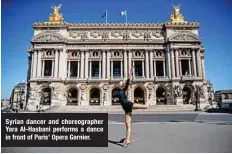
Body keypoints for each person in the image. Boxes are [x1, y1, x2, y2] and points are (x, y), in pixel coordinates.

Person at [119, 65, 149, 148]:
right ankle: (127, 140)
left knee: (146, 106)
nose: (120, 82)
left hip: (128, 104)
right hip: (126, 109)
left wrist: (131, 70)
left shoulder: (124, 88)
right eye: (121, 82)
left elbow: (128, 79)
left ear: (123, 84)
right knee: (127, 125)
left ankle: (149, 99)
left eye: (121, 82)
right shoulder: (121, 90)